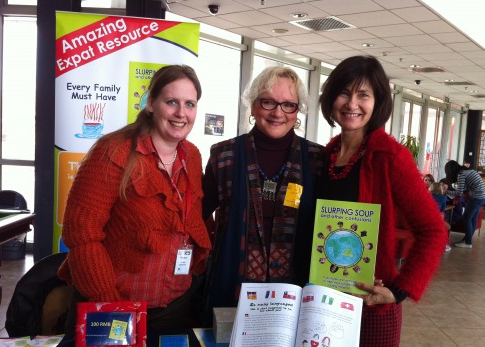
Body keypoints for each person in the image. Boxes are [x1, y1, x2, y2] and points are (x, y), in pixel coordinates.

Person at [317, 55, 445, 347]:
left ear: (378, 103)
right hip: (324, 302)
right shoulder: (327, 155)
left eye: (364, 95)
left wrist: (401, 290)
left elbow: (434, 230)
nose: (352, 104)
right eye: (344, 93)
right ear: (331, 99)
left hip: (371, 308)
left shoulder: (390, 156)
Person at [58, 65, 211, 331]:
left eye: (190, 104)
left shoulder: (192, 156)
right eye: (171, 102)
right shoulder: (114, 151)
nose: (181, 113)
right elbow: (81, 232)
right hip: (112, 303)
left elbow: (189, 220)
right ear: (151, 103)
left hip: (173, 303)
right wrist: (106, 301)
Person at [201, 66, 325, 316]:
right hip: (231, 290)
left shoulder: (317, 160)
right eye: (268, 102)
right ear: (253, 105)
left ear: (297, 111)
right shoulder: (224, 156)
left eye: (288, 104)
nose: (278, 112)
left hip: (297, 294)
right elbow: (199, 215)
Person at [444, 159, 485, 248]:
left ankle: (467, 242)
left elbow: (459, 193)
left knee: (466, 218)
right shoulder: (467, 171)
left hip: (476, 197)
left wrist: (446, 191)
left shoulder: (461, 174)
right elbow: (463, 190)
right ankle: (467, 239)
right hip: (483, 196)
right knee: (473, 218)